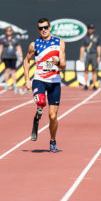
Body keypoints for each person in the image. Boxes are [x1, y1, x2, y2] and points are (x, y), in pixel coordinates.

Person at [23, 18, 66, 153]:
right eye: (40, 28)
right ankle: (39, 111)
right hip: (39, 80)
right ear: (38, 29)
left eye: (45, 27)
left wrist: (57, 63)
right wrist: (27, 80)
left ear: (50, 27)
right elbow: (26, 60)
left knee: (53, 116)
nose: (43, 30)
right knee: (41, 102)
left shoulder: (59, 43)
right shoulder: (34, 44)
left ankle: (52, 141)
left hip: (54, 82)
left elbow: (64, 65)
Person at [0, 26, 23, 90]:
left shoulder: (15, 39)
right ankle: (6, 84)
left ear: (12, 31)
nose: (9, 32)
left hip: (13, 57)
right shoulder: (3, 39)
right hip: (6, 57)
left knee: (13, 70)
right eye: (7, 31)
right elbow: (0, 48)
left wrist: (21, 56)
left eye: (10, 30)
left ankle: (14, 84)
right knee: (7, 70)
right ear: (6, 32)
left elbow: (18, 48)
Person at [79, 24, 101, 90]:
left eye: (91, 28)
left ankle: (94, 84)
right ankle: (86, 84)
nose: (90, 30)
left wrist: (99, 56)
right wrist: (81, 56)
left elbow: (98, 47)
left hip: (94, 54)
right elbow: (82, 47)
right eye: (89, 28)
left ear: (93, 29)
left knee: (94, 70)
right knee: (86, 69)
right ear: (88, 29)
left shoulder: (96, 37)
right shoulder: (85, 38)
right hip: (87, 54)